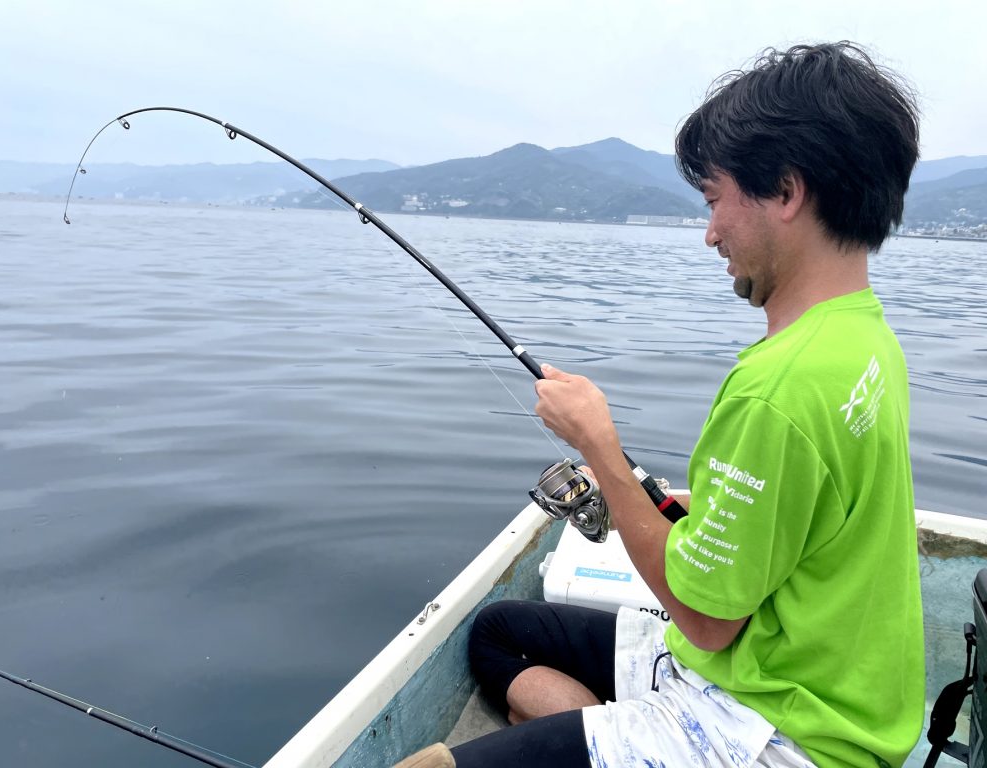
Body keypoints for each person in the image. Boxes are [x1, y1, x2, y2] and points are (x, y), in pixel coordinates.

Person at [396, 41, 924, 768]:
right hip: (828, 685)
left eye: (716, 201)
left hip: (782, 730)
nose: (711, 234)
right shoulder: (865, 334)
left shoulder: (780, 386)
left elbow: (707, 621)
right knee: (498, 633)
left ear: (787, 191)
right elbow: (803, 512)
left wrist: (600, 450)